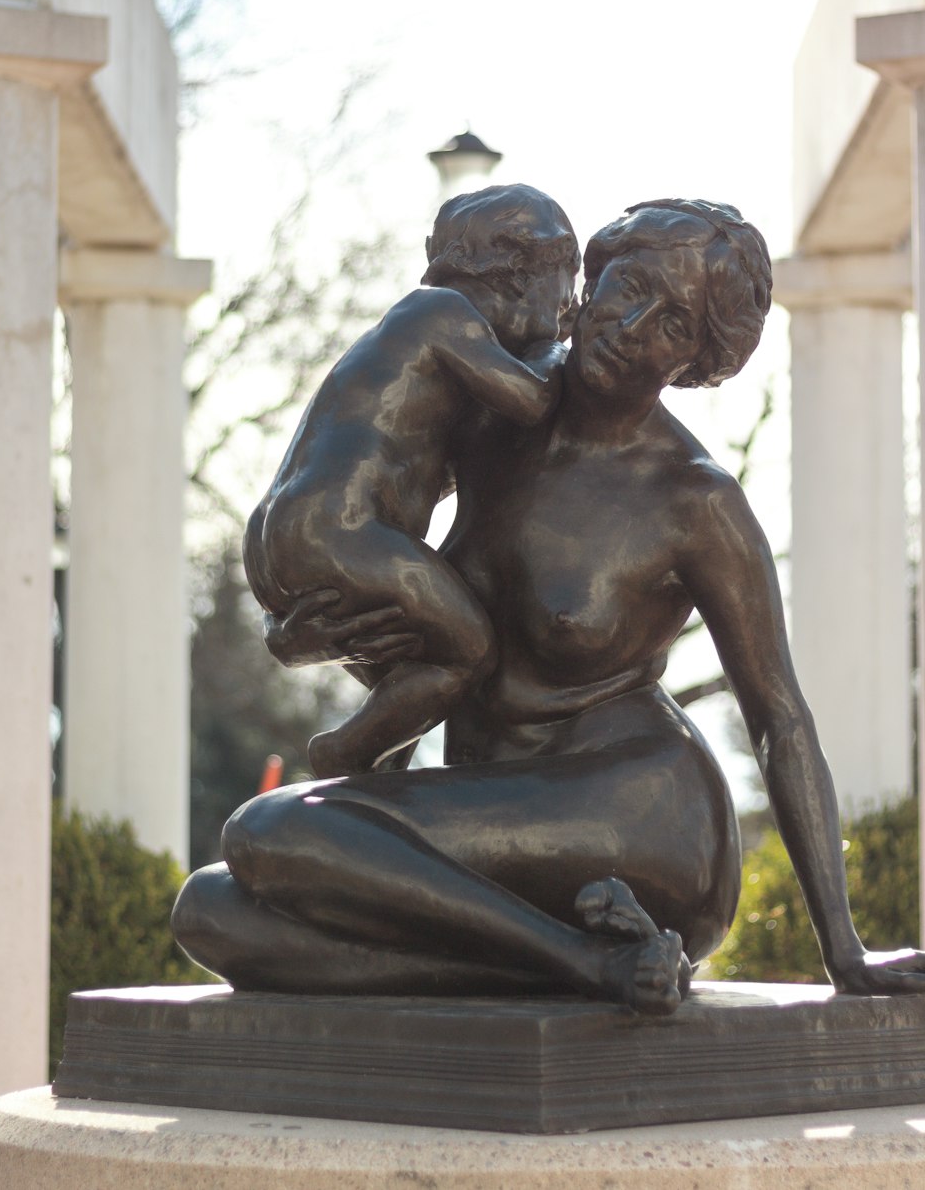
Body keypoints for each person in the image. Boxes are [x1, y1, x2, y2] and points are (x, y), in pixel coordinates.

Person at [174, 198, 925, 1015]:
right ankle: (582, 962)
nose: (631, 326)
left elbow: (779, 716)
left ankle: (585, 960)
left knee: (269, 835)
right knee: (211, 912)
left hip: (639, 822)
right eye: (627, 287)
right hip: (489, 821)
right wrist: (305, 632)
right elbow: (374, 555)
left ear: (697, 359)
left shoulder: (691, 500)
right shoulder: (488, 413)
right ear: (589, 279)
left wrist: (843, 953)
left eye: (673, 323)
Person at [243, 183, 580, 779]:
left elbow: (430, 465)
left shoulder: (423, 361)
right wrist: (560, 350)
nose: (564, 312)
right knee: (470, 651)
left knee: (413, 688)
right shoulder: (441, 313)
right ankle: (342, 755)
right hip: (337, 529)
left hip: (284, 533)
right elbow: (532, 402)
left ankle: (374, 790)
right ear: (525, 271)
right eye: (564, 294)